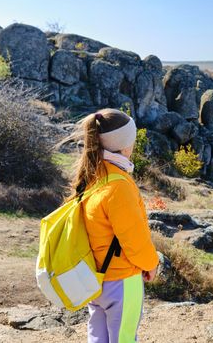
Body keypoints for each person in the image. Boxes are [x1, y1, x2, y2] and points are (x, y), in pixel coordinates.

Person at [67, 108, 159, 343]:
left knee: (97, 338)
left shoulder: (92, 178)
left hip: (96, 280)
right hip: (123, 280)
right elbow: (134, 238)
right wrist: (151, 264)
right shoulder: (120, 186)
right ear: (126, 145)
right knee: (124, 338)